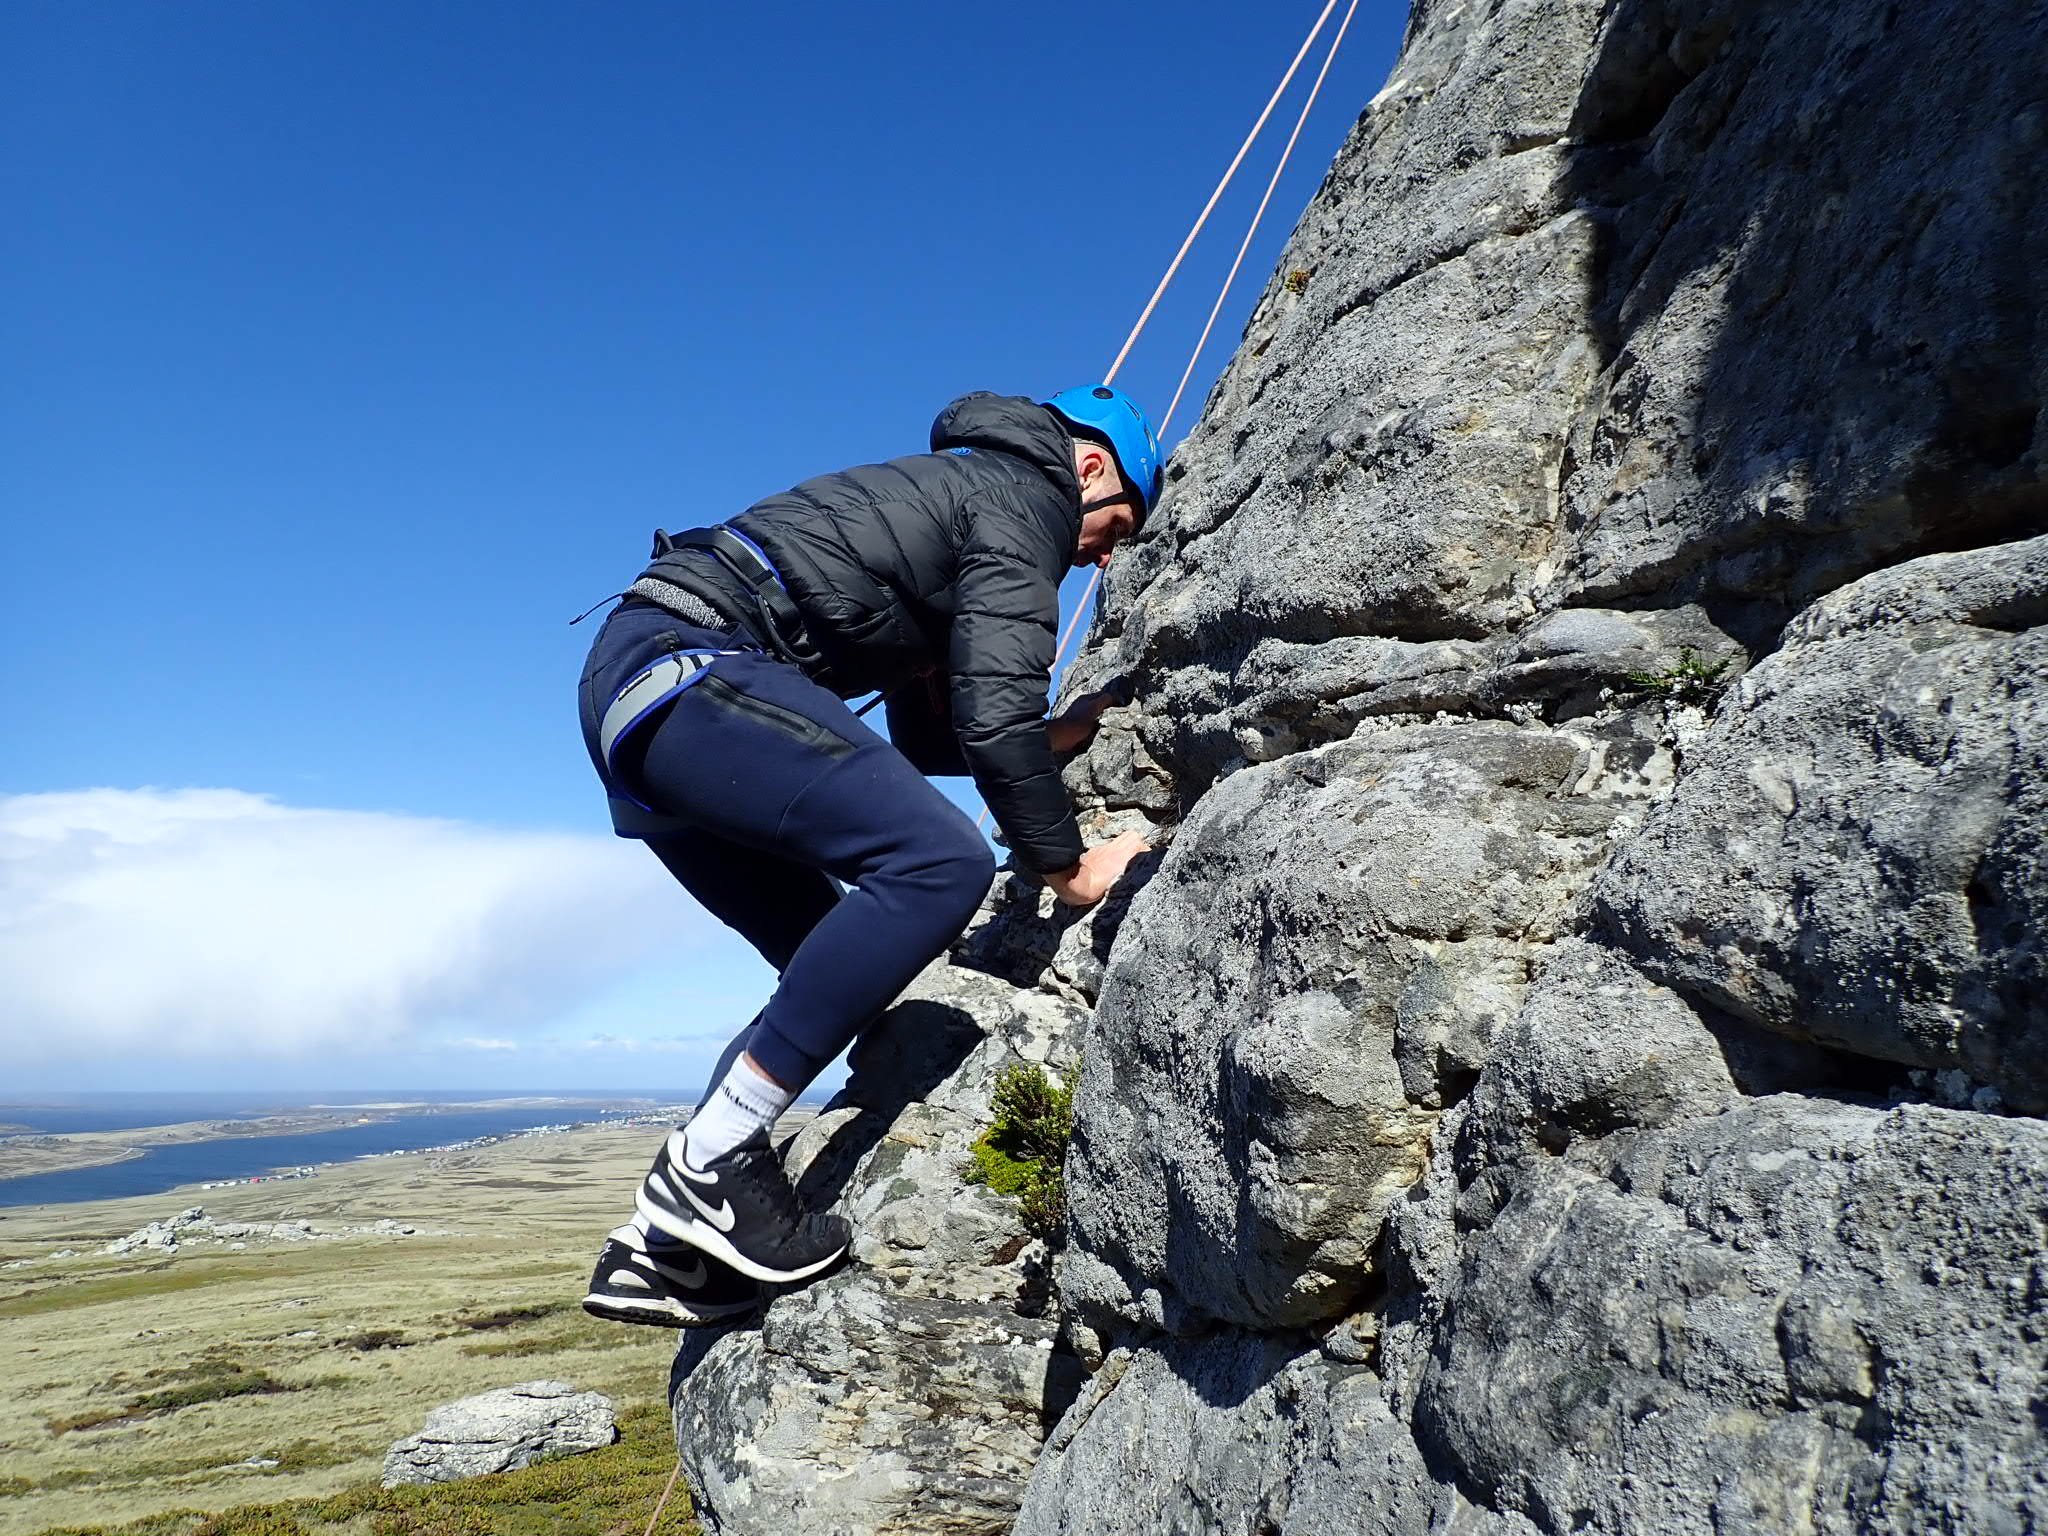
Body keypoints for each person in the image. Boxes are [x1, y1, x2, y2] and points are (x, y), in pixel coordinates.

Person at [575, 386, 1161, 1326]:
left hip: (646, 700)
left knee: (841, 959)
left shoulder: (953, 503)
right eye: (1119, 525)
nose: (1107, 553)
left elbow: (941, 735)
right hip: (694, 671)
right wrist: (1074, 870)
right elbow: (991, 720)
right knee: (940, 863)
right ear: (1091, 471)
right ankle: (711, 1161)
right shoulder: (1023, 504)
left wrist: (1055, 737)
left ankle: (660, 1252)